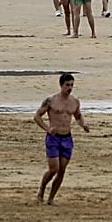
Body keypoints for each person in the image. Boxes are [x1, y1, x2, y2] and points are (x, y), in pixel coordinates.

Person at [34, 72, 90, 205]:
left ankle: (51, 198)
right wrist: (47, 128)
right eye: (67, 85)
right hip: (53, 138)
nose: (69, 88)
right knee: (54, 169)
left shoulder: (74, 102)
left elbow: (77, 116)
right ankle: (41, 191)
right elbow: (37, 116)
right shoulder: (51, 100)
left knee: (62, 170)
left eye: (71, 85)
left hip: (66, 138)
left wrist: (83, 124)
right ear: (61, 85)